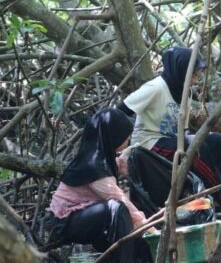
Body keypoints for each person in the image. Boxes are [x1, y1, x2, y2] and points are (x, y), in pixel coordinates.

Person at [118, 47, 221, 209]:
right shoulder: (156, 87)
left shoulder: (186, 92)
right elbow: (122, 110)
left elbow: (182, 128)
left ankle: (210, 194)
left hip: (172, 140)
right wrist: (123, 144)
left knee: (216, 140)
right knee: (194, 147)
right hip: (148, 143)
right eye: (194, 76)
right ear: (181, 71)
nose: (196, 81)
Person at [46, 107, 153, 262]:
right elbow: (118, 198)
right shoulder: (92, 166)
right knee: (118, 208)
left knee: (127, 208)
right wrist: (151, 229)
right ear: (113, 136)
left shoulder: (98, 158)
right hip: (66, 221)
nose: (128, 139)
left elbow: (114, 169)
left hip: (84, 214)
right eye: (125, 136)